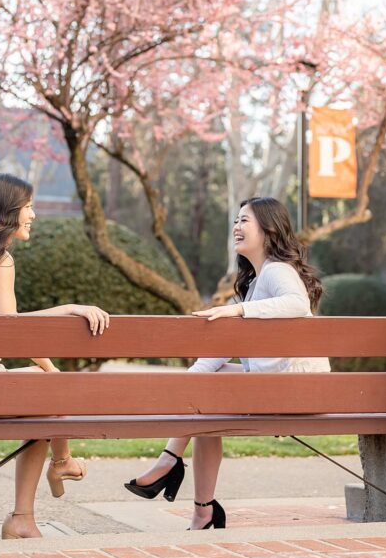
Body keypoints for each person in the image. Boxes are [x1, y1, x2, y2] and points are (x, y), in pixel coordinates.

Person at [125, 196, 329, 530]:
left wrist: (237, 310)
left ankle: (171, 466)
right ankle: (199, 508)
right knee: (208, 400)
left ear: (268, 228)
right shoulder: (255, 283)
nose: (236, 227)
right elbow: (221, 352)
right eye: (235, 220)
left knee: (209, 396)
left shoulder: (277, 271)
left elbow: (296, 302)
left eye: (244, 220)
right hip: (281, 384)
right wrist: (192, 382)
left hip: (296, 389)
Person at [0, 172, 109, 540]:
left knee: (47, 395)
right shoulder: (1, 261)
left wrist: (48, 369)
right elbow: (11, 330)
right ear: (6, 212)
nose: (33, 214)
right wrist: (69, 308)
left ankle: (34, 504)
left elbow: (6, 331)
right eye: (27, 206)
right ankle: (55, 471)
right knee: (51, 399)